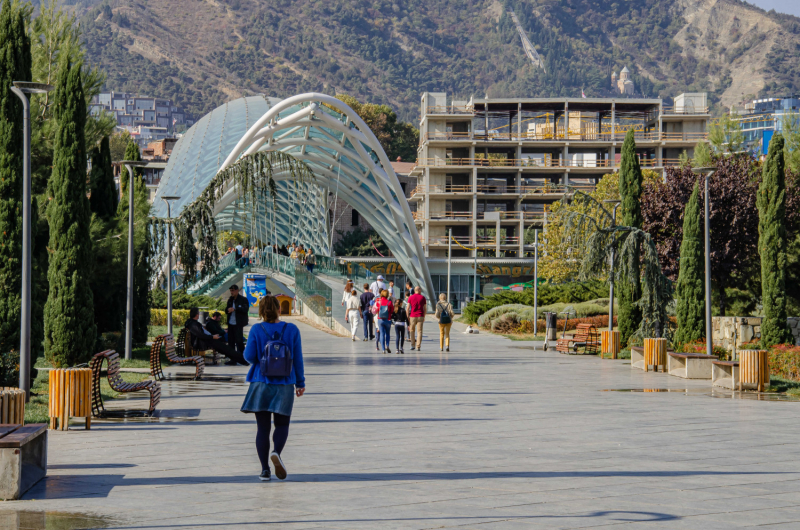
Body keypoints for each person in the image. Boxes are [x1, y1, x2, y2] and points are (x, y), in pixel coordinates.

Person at [241, 295, 305, 482]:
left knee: (263, 428)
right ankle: (276, 452)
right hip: (285, 384)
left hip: (261, 383)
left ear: (261, 311)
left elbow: (249, 356)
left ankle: (264, 470)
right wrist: (300, 383)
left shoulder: (256, 329)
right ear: (279, 309)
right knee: (282, 424)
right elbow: (298, 359)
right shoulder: (292, 329)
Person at [227, 284, 249, 359]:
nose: (231, 292)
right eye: (230, 291)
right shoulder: (230, 299)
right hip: (231, 323)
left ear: (237, 291)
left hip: (238, 324)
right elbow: (226, 309)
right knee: (231, 342)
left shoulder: (243, 299)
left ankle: (243, 357)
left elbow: (245, 309)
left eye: (232, 291)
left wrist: (235, 309)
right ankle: (232, 358)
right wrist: (228, 310)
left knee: (239, 341)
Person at [408, 286, 427, 351]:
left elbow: (407, 308)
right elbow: (425, 308)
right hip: (420, 316)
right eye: (420, 289)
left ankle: (412, 345)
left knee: (412, 330)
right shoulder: (423, 298)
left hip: (412, 316)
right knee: (420, 331)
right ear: (418, 290)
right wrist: (424, 316)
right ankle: (418, 346)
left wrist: (407, 316)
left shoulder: (410, 297)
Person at [376, 290, 394, 354]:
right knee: (387, 334)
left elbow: (376, 310)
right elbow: (392, 311)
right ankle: (387, 346)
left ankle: (383, 349)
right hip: (388, 319)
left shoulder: (378, 302)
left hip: (380, 319)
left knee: (382, 334)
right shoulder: (389, 302)